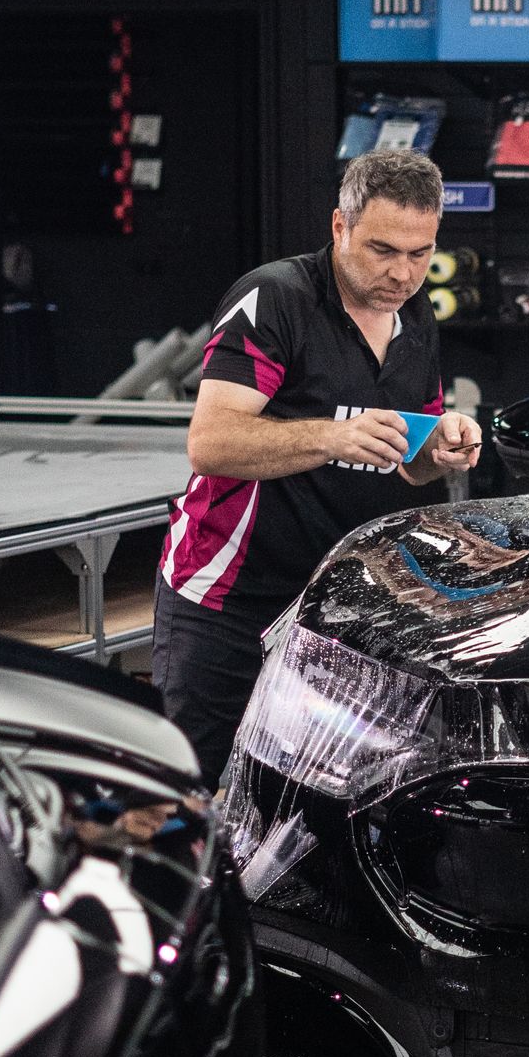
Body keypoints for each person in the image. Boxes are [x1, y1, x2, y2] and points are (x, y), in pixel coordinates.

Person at [151, 148, 480, 783]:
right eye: (384, 250)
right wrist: (332, 436)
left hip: (338, 607)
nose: (403, 273)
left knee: (315, 805)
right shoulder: (274, 297)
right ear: (340, 228)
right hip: (229, 599)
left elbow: (407, 463)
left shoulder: (416, 314)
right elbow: (211, 443)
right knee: (181, 794)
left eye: (420, 254)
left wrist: (442, 448)